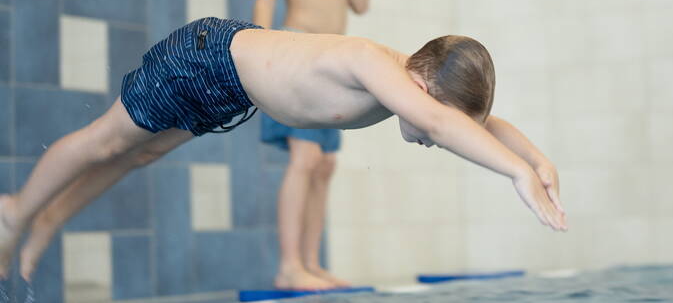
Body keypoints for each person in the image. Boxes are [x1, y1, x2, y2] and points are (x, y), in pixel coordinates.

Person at [0, 17, 567, 284]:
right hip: (205, 58)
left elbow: (478, 124)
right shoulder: (372, 63)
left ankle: (48, 217)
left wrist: (537, 159)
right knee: (105, 141)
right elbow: (444, 126)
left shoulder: (407, 78)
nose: (429, 136)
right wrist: (516, 174)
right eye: (433, 116)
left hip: (229, 84)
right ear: (423, 89)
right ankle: (15, 213)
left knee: (136, 155)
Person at [252, 0, 369, 289]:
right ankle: (288, 266)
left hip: (331, 62)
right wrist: (262, 54)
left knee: (325, 165)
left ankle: (310, 263)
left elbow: (361, 2)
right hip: (295, 54)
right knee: (304, 159)